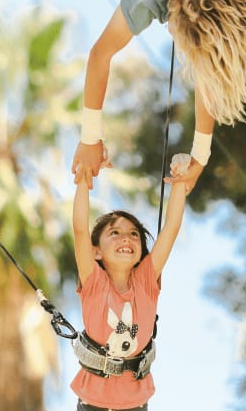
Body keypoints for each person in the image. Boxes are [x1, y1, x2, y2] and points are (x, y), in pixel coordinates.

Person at [72, 0, 246, 192]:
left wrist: (201, 153)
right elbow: (100, 55)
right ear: (175, 8)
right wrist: (89, 139)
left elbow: (207, 72)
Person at [70, 155, 190, 410]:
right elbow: (80, 229)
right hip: (93, 403)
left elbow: (171, 228)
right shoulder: (93, 281)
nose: (126, 238)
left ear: (141, 252)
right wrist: (84, 178)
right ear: (96, 252)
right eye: (115, 233)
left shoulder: (146, 281)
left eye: (134, 234)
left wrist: (180, 182)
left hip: (135, 403)